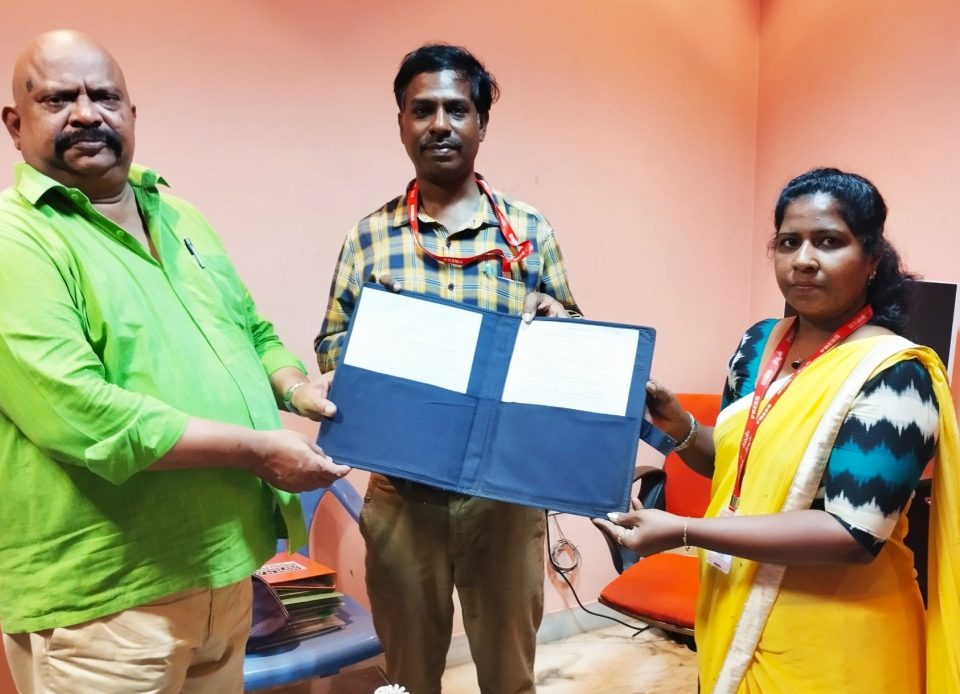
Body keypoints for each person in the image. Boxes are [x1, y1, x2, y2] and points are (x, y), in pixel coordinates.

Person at [0, 30, 348, 693]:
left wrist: (297, 388)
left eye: (104, 96)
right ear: (15, 124)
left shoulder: (179, 216)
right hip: (109, 604)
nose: (85, 114)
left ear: (131, 112)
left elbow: (250, 329)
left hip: (227, 571)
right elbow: (86, 417)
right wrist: (258, 452)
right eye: (58, 99)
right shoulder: (2, 244)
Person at [597, 168, 959, 693]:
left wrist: (684, 530)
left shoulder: (896, 374)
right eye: (789, 242)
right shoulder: (758, 344)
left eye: (829, 241)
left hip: (834, 636)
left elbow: (852, 534)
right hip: (733, 600)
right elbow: (739, 469)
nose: (803, 259)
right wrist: (681, 427)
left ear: (873, 259)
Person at [315, 44, 581, 694]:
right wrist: (385, 345)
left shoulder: (529, 231)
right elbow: (330, 347)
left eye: (457, 109)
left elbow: (572, 342)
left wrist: (558, 323)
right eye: (423, 109)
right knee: (408, 677)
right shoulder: (369, 237)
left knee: (509, 677)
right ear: (402, 122)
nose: (440, 124)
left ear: (481, 123)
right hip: (402, 496)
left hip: (506, 496)